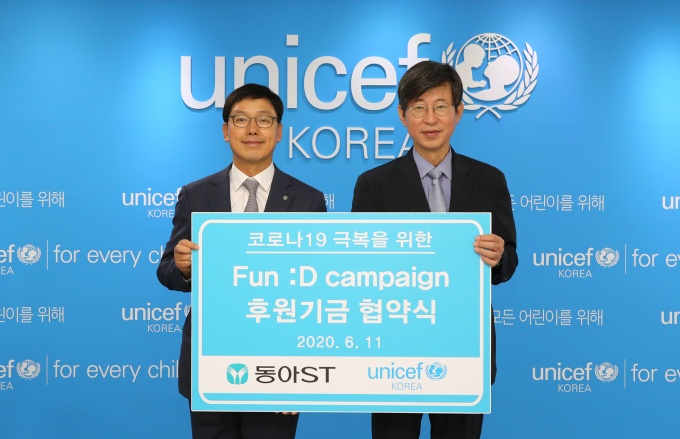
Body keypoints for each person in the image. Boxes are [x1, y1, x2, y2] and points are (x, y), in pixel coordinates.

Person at [351, 60, 518, 439]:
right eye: (419, 107)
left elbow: (508, 260)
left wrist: (497, 257)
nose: (430, 118)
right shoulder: (373, 184)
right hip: (394, 346)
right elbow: (359, 268)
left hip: (465, 343)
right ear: (402, 115)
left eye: (441, 106)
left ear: (458, 111)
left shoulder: (489, 179)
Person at [157, 83, 327, 439]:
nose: (252, 129)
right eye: (241, 119)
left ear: (279, 132)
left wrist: (299, 371)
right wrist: (183, 267)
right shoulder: (195, 194)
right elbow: (167, 270)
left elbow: (318, 289)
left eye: (264, 120)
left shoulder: (308, 200)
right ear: (225, 131)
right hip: (211, 357)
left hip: (278, 362)